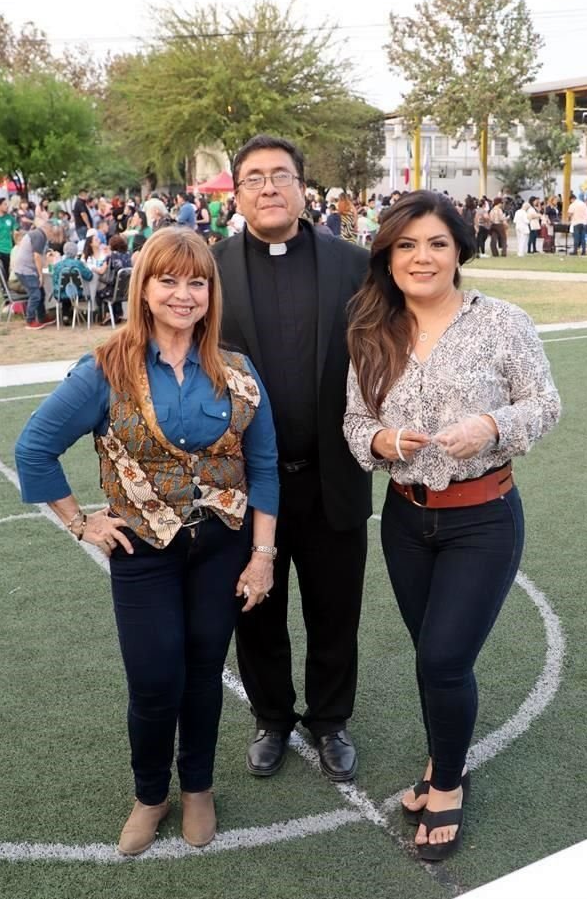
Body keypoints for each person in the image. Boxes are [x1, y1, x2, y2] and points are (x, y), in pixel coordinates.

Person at [14, 226, 279, 857]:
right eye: (168, 280)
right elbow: (35, 448)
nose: (183, 295)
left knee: (203, 674)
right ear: (145, 288)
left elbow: (264, 466)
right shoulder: (105, 368)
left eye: (197, 282)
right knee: (156, 677)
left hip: (222, 548)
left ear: (212, 293)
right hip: (142, 553)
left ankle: (198, 789)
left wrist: (263, 556)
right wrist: (83, 523)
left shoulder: (237, 373)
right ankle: (150, 793)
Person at [343, 190, 560, 860]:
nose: (422, 257)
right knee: (433, 659)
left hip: (483, 518)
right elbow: (356, 424)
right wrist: (382, 443)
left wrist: (494, 424)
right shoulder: (370, 329)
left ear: (458, 249)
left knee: (443, 658)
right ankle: (448, 755)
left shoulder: (501, 321)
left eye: (436, 243)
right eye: (406, 244)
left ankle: (445, 784)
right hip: (405, 522)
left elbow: (546, 403)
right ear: (388, 253)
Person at [212, 134, 371, 782]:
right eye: (254, 177)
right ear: (239, 191)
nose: (269, 187)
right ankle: (272, 717)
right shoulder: (210, 266)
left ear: (305, 186)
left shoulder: (354, 263)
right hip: (247, 487)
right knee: (256, 610)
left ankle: (330, 718)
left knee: (336, 609)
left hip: (333, 477)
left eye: (281, 175)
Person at [13, 222, 55, 329]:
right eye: (52, 232)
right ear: (47, 229)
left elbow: (40, 256)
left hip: (25, 268)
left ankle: (42, 317)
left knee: (40, 292)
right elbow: (36, 256)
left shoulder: (37, 234)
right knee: (35, 294)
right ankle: (30, 320)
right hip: (25, 270)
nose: (52, 235)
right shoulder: (40, 236)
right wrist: (40, 275)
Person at [51, 240, 94, 325]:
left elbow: (54, 280)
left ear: (64, 251)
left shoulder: (57, 265)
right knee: (72, 290)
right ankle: (69, 315)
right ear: (75, 252)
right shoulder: (78, 264)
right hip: (76, 293)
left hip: (60, 294)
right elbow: (89, 276)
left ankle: (65, 315)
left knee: (65, 292)